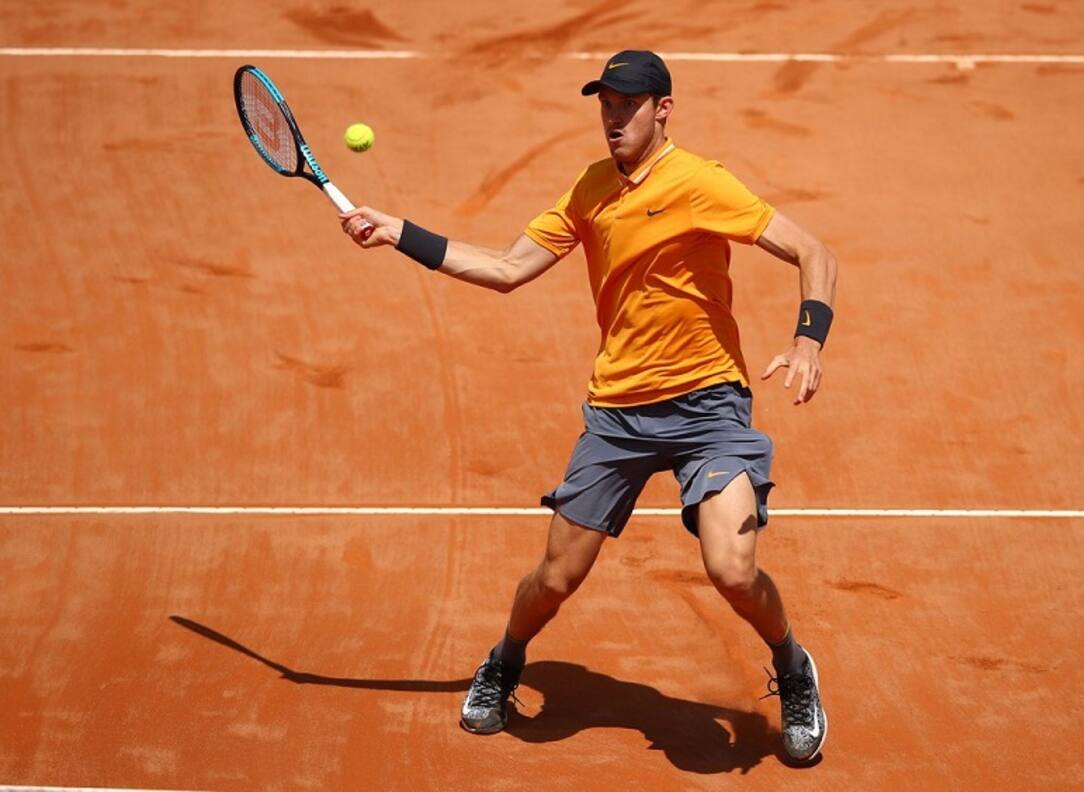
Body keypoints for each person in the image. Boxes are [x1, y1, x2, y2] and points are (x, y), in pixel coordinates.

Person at [338, 50, 838, 762]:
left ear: (663, 110)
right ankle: (505, 661)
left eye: (628, 104)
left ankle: (791, 665)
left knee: (732, 569)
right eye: (606, 102)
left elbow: (815, 252)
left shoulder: (700, 182)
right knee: (555, 579)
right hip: (620, 414)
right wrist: (399, 232)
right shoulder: (590, 189)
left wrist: (808, 340)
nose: (613, 116)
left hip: (708, 406)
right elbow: (506, 268)